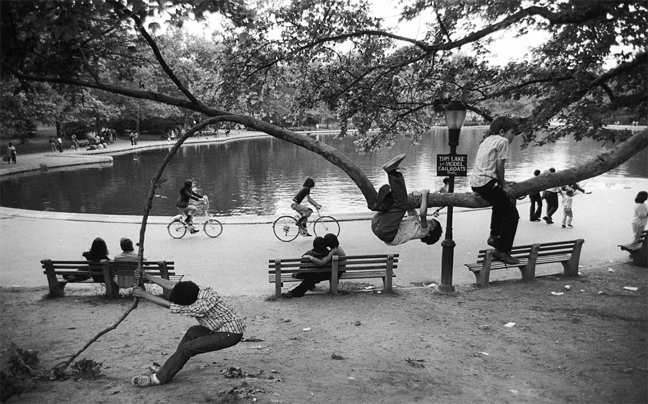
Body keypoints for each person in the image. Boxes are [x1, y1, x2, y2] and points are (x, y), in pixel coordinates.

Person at [131, 275, 245, 387]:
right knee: (192, 332)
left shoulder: (199, 306)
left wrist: (144, 294)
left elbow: (169, 305)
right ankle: (168, 368)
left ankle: (158, 378)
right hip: (221, 327)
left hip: (230, 334)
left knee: (187, 348)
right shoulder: (199, 290)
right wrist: (146, 276)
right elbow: (172, 285)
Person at [469, 116, 520, 264]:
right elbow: (499, 166)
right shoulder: (502, 141)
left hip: (476, 183)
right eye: (512, 132)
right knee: (512, 215)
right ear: (502, 132)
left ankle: (494, 236)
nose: (513, 136)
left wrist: (503, 183)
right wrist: (504, 185)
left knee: (500, 203)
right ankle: (502, 251)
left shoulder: (487, 140)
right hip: (487, 183)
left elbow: (487, 165)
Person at [371, 154, 443, 246]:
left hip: (387, 233)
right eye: (432, 220)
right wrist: (414, 193)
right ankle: (386, 199)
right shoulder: (414, 219)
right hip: (379, 224)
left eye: (432, 225)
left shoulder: (423, 232)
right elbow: (408, 204)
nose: (429, 221)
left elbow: (423, 214)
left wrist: (424, 195)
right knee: (401, 202)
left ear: (429, 233)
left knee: (401, 206)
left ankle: (393, 173)